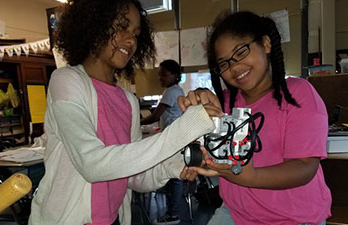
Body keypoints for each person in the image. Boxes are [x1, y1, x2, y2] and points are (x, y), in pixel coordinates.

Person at [27, 1, 222, 225]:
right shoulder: (66, 80)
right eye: (121, 27)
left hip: (113, 219)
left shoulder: (128, 102)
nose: (130, 41)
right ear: (93, 25)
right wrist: (186, 127)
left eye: (136, 34)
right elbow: (92, 164)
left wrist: (173, 167)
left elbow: (134, 177)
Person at [179, 11, 332, 225]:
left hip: (292, 219)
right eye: (224, 64)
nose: (234, 67)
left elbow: (305, 167)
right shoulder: (224, 103)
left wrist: (250, 177)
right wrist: (195, 111)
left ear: (266, 44)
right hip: (236, 214)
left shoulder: (299, 94)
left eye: (240, 52)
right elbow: (203, 149)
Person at [140, 59, 185, 225]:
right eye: (160, 75)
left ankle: (173, 214)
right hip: (176, 137)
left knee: (174, 177)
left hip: (174, 139)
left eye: (164, 75)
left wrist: (136, 124)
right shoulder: (176, 90)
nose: (161, 78)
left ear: (175, 75)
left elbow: (155, 116)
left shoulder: (171, 91)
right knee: (174, 175)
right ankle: (172, 210)